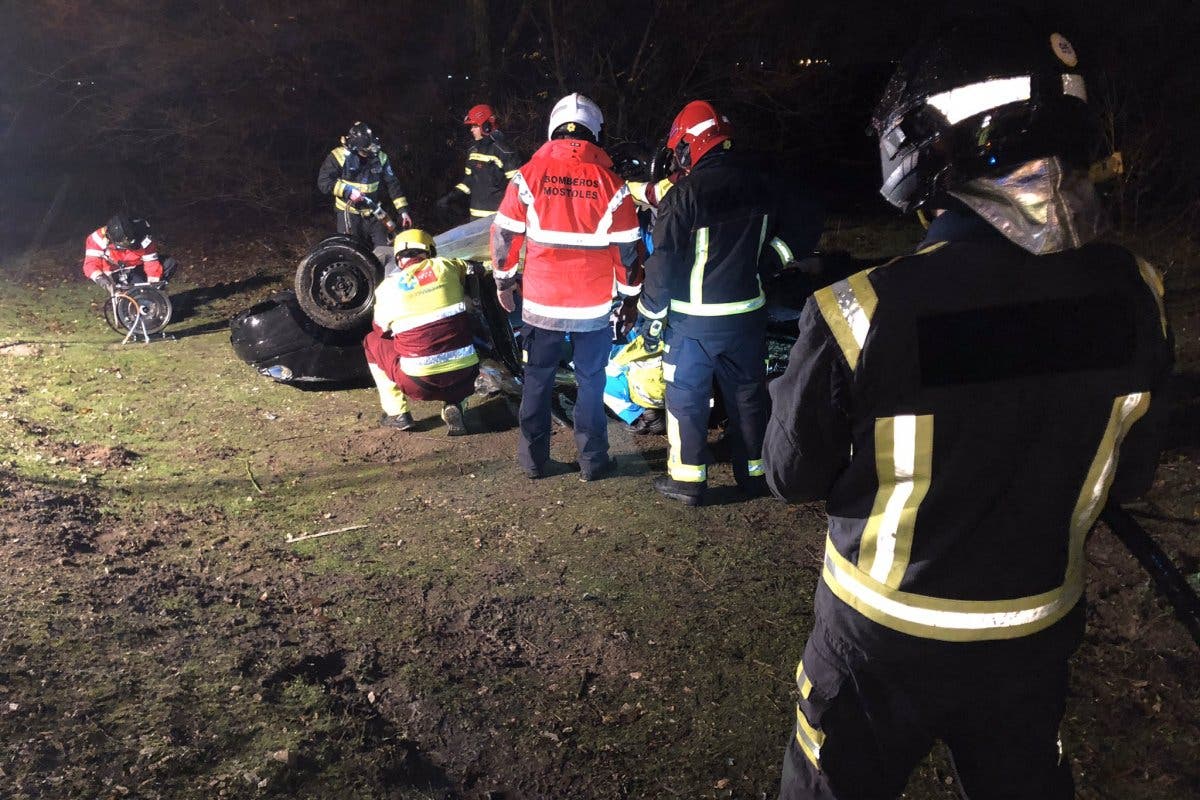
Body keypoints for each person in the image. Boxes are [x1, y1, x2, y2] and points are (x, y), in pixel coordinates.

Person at [764, 17, 1173, 800]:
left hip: (878, 642)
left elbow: (791, 474)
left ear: (929, 148)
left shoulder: (865, 309)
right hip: (1035, 637)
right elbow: (1131, 472)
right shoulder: (1138, 293)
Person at [635, 100, 822, 506]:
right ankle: (754, 475)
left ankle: (688, 481)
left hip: (692, 323)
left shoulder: (684, 195)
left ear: (691, 145)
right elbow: (807, 223)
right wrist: (771, 260)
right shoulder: (760, 183)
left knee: (686, 397)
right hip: (747, 316)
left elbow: (663, 266)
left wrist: (648, 319)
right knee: (748, 398)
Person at [490, 93, 642, 480]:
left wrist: (504, 282)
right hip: (592, 307)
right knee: (592, 382)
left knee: (537, 380)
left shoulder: (528, 175)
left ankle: (533, 460)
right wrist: (628, 300)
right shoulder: (613, 184)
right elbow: (627, 252)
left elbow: (506, 235)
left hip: (542, 304)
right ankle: (593, 460)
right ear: (594, 133)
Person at [362, 228, 480, 436]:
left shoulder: (387, 288)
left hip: (420, 384)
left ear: (398, 260)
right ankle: (456, 403)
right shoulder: (446, 266)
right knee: (457, 333)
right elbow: (472, 269)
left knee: (371, 342)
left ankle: (396, 413)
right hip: (466, 377)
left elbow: (380, 330)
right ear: (430, 252)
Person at [317, 121, 413, 247]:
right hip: (349, 213)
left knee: (385, 250)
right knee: (352, 252)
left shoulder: (380, 157)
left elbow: (392, 184)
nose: (368, 153)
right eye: (364, 151)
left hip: (375, 212)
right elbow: (324, 182)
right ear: (355, 147)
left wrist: (403, 211)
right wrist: (348, 191)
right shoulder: (338, 156)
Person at [438, 104, 520, 221]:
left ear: (486, 126)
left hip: (498, 216)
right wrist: (451, 197)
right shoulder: (473, 151)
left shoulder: (504, 150)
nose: (471, 130)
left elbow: (517, 186)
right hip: (475, 216)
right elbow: (469, 180)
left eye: (475, 126)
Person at [83, 213, 175, 293]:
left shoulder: (143, 234)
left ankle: (154, 297)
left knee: (169, 263)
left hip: (138, 266)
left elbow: (151, 263)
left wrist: (153, 287)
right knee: (138, 288)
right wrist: (105, 282)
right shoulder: (97, 239)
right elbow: (90, 265)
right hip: (117, 271)